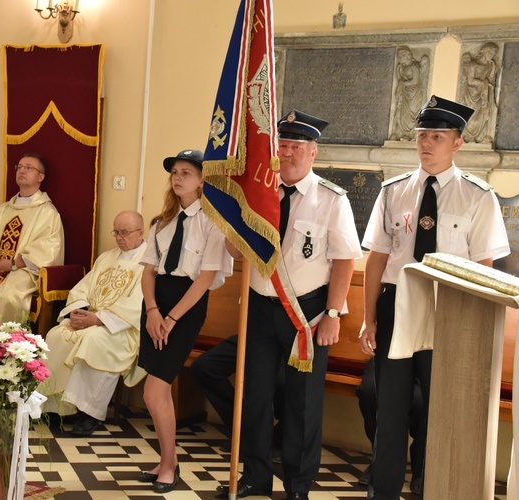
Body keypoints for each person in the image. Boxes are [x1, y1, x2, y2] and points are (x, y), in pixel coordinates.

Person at [359, 95, 510, 500]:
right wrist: (369, 318)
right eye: (422, 135)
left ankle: (431, 488)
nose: (426, 143)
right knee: (388, 408)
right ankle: (384, 491)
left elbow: (484, 267)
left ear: (458, 143)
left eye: (437, 137)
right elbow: (376, 259)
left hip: (451, 311)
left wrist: (474, 328)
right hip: (397, 306)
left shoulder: (477, 196)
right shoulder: (394, 191)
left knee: (438, 409)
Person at [216, 110, 362, 500]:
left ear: (313, 152)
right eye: (282, 145)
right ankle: (255, 477)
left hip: (308, 315)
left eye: (298, 146)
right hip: (262, 309)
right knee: (255, 398)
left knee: (302, 403)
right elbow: (235, 250)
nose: (289, 152)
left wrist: (333, 314)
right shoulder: (259, 195)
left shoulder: (332, 199)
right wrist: (235, 218)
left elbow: (346, 260)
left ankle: (298, 484)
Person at [137, 149, 233, 494]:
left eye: (186, 173)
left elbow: (206, 278)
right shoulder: (162, 222)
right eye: (175, 172)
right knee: (155, 392)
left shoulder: (213, 222)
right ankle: (166, 461)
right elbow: (148, 271)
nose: (178, 178)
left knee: (154, 391)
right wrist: (152, 311)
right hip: (155, 305)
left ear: (202, 180)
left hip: (185, 307)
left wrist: (172, 317)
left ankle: (170, 465)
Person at [40, 210, 148, 436]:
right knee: (57, 335)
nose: (119, 237)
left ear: (141, 232)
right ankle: (55, 407)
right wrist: (80, 313)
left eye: (125, 232)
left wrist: (99, 320)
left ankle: (88, 413)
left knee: (94, 340)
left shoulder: (149, 262)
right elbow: (83, 288)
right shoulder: (107, 257)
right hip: (93, 320)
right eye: (116, 232)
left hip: (121, 328)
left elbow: (140, 303)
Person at [0, 154, 64, 323]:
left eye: (29, 167)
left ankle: (1, 347)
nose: (22, 170)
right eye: (20, 167)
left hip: (24, 271)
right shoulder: (2, 210)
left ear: (41, 177)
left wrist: (13, 264)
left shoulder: (47, 213)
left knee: (5, 298)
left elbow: (47, 250)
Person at [190, 334, 286, 455]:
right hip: (257, 333)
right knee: (204, 367)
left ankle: (279, 440)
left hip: (293, 341)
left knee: (282, 381)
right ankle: (246, 431)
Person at [355, 358, 426, 494]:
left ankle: (420, 468)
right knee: (369, 391)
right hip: (388, 353)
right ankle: (380, 461)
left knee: (421, 402)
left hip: (425, 356)